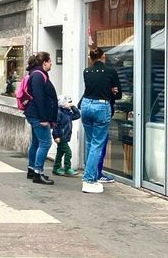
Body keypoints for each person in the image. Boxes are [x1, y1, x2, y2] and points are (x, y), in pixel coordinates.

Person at [80, 46, 122, 194]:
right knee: (97, 144)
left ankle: (89, 176)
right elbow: (119, 95)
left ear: (91, 58)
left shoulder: (86, 71)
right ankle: (89, 179)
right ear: (103, 57)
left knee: (90, 143)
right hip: (101, 106)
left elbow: (90, 89)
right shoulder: (110, 72)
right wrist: (111, 91)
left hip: (86, 105)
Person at [23, 51, 57, 185]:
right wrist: (43, 118)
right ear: (45, 62)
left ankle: (32, 170)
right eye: (50, 61)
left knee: (36, 142)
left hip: (35, 115)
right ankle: (38, 172)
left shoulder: (37, 74)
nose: (51, 64)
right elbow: (39, 98)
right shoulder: (38, 75)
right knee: (45, 143)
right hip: (38, 116)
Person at [52, 95, 81, 177]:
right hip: (61, 137)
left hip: (65, 136)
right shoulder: (59, 113)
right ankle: (67, 168)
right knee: (68, 152)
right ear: (62, 104)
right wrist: (56, 136)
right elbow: (55, 125)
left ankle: (56, 168)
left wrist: (73, 107)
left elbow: (78, 115)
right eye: (69, 102)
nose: (70, 104)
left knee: (60, 152)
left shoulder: (67, 113)